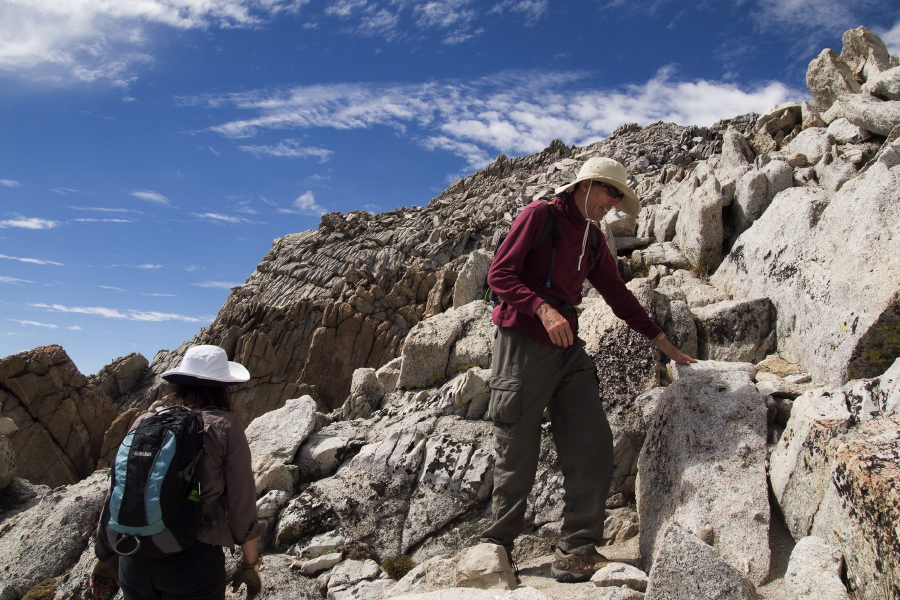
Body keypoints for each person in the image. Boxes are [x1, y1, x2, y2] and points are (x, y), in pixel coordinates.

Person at [479, 157, 696, 582]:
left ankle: (577, 548)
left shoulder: (593, 240)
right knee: (516, 448)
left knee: (592, 441)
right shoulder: (539, 215)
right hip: (523, 340)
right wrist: (541, 310)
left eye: (619, 197)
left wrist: (664, 344)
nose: (613, 204)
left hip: (567, 348)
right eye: (610, 193)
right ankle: (497, 549)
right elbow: (499, 275)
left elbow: (618, 294)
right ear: (587, 185)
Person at [90, 345, 264, 600]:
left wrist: (106, 557)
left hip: (134, 558)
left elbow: (120, 489)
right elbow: (242, 504)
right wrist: (250, 564)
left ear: (180, 383)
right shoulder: (225, 426)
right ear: (222, 386)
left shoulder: (144, 421)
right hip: (193, 562)